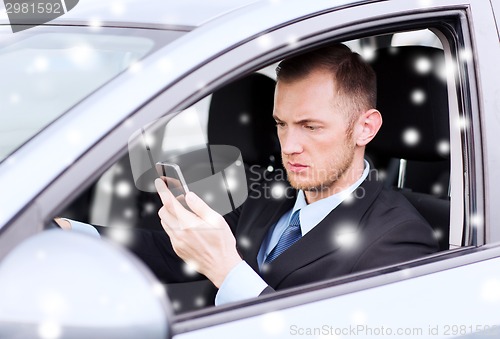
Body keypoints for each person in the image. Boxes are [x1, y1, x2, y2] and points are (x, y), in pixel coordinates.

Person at [57, 43, 439, 306]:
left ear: (365, 128)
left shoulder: (400, 240)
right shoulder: (270, 192)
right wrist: (73, 235)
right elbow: (178, 255)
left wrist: (229, 272)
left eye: (311, 126)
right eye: (281, 123)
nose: (289, 145)